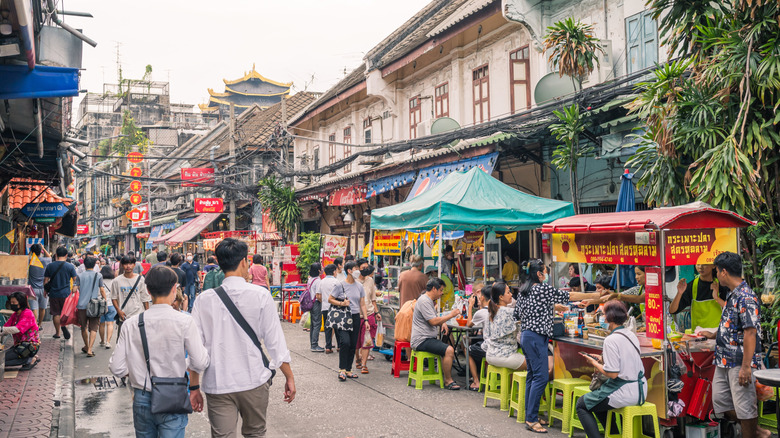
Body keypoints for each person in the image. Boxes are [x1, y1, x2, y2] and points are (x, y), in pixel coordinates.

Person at [190, 238, 295, 437]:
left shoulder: (203, 300)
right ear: (244, 262)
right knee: (255, 433)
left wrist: (194, 386)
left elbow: (196, 350)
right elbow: (275, 343)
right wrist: (289, 376)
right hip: (253, 380)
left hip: (218, 384)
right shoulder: (261, 295)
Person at [109, 265, 210, 438]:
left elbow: (117, 368)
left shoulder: (131, 324)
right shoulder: (185, 321)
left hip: (141, 396)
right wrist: (184, 364)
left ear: (147, 290)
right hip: (173, 394)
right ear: (174, 289)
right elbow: (200, 362)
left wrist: (136, 369)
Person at [698, 252, 769, 438]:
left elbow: (750, 332)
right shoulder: (732, 294)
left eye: (716, 272)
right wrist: (714, 333)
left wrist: (746, 367)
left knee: (745, 408)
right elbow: (733, 324)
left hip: (739, 361)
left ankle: (753, 434)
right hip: (723, 359)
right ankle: (760, 433)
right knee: (721, 404)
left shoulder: (746, 297)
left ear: (723, 272)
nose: (715, 276)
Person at [576, 300, 649, 438]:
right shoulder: (631, 335)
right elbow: (624, 360)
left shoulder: (611, 339)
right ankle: (613, 435)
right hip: (640, 390)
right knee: (596, 401)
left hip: (624, 391)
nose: (602, 318)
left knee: (582, 405)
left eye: (603, 315)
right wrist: (601, 358)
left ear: (610, 318)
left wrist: (594, 363)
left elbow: (613, 374)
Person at [515, 259, 569, 433]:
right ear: (539, 274)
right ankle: (531, 419)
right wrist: (594, 297)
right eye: (545, 271)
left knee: (533, 376)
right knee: (541, 377)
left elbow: (517, 314)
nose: (546, 275)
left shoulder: (524, 289)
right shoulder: (542, 288)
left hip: (527, 335)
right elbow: (568, 296)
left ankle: (530, 415)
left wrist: (549, 307)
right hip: (536, 337)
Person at [410, 278, 462, 390]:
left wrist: (442, 322)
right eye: (441, 290)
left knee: (446, 346)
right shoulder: (424, 301)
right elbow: (433, 321)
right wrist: (451, 315)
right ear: (434, 289)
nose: (442, 293)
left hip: (426, 338)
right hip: (421, 340)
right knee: (449, 350)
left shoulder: (428, 301)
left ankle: (447, 377)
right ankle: (448, 381)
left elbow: (434, 318)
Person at [330, 261, 367, 381]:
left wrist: (365, 319)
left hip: (356, 317)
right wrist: (342, 303)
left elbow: (362, 304)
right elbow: (330, 299)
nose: (358, 271)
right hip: (343, 317)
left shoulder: (359, 286)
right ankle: (341, 370)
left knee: (352, 344)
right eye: (356, 268)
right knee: (345, 342)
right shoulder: (340, 285)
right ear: (349, 271)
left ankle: (349, 370)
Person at [670, 264, 730, 330]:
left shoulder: (722, 285)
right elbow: (672, 310)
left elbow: (730, 310)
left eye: (704, 264)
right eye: (698, 264)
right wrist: (679, 293)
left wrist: (717, 298)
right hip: (698, 336)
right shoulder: (692, 286)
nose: (700, 267)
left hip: (718, 334)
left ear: (713, 266)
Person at [484, 282, 526, 370]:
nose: (511, 294)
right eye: (508, 292)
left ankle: (509, 384)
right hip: (506, 356)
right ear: (501, 297)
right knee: (538, 365)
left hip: (490, 355)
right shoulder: (510, 312)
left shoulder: (490, 313)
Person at [111, 255, 152, 338]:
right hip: (124, 317)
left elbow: (145, 298)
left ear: (134, 265)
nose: (128, 266)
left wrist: (147, 314)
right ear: (122, 265)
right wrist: (118, 311)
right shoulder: (117, 281)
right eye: (126, 264)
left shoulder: (140, 279)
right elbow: (114, 298)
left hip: (138, 315)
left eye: (130, 264)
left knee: (138, 342)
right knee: (122, 342)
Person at [44, 246, 78, 340]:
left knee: (56, 313)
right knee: (65, 313)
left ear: (56, 255)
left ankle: (57, 333)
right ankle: (64, 326)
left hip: (54, 293)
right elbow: (76, 280)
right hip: (66, 293)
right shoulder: (70, 266)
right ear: (66, 255)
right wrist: (75, 290)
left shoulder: (50, 266)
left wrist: (45, 290)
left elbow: (46, 280)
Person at [76, 256, 107, 357]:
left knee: (83, 327)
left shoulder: (79, 276)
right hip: (94, 305)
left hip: (82, 305)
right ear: (94, 265)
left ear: (84, 264)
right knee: (94, 327)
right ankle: (89, 349)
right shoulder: (98, 275)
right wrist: (105, 300)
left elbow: (74, 289)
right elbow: (102, 289)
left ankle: (86, 345)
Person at [1, 291, 41, 370]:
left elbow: (17, 329)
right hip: (19, 346)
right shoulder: (15, 315)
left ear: (21, 303)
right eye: (11, 302)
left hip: (29, 346)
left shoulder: (27, 313)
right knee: (2, 358)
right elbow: (5, 329)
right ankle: (30, 357)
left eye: (14, 302)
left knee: (2, 361)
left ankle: (29, 360)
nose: (11, 304)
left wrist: (1, 330)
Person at [467, 285, 491, 391]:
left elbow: (469, 324)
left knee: (469, 349)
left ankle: (476, 381)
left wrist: (470, 306)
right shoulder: (499, 310)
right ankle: (486, 377)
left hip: (490, 348)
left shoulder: (481, 312)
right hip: (501, 347)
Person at [356, 265, 379, 373]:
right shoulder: (353, 280)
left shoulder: (370, 280)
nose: (366, 269)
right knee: (356, 342)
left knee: (367, 340)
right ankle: (357, 359)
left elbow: (373, 299)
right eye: (363, 267)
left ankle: (364, 364)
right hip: (355, 314)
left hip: (369, 314)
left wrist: (376, 311)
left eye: (367, 267)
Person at [27, 243, 51, 326]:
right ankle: (39, 325)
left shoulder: (30, 260)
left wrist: (30, 252)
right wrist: (43, 248)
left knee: (34, 309)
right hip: (44, 289)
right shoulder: (45, 260)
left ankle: (34, 325)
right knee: (42, 308)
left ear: (32, 252)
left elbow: (25, 258)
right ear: (40, 251)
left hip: (32, 289)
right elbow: (49, 257)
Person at [320, 264, 340, 354]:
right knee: (337, 327)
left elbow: (318, 295)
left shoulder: (322, 281)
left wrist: (324, 301)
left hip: (325, 307)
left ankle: (328, 347)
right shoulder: (336, 282)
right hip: (335, 307)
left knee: (327, 327)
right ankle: (339, 346)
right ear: (333, 272)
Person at [99, 266, 118, 349]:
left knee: (101, 324)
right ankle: (108, 342)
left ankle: (102, 341)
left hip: (101, 304)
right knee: (110, 323)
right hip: (111, 304)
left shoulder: (99, 281)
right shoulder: (114, 281)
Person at [307, 263, 324, 352]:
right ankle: (314, 345)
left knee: (313, 324)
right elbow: (318, 296)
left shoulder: (310, 279)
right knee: (317, 324)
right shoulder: (318, 281)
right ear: (318, 270)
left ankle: (312, 343)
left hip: (310, 303)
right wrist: (323, 302)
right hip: (316, 303)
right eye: (321, 268)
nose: (322, 269)